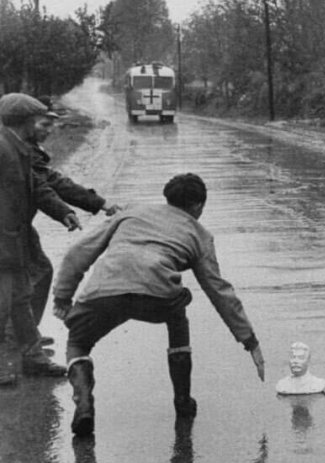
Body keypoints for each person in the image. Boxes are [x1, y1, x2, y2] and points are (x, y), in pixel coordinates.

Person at [52, 172, 265, 436]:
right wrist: (249, 340)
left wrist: (63, 297)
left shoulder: (131, 213)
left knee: (77, 342)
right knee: (178, 313)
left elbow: (79, 253)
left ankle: (83, 403)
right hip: (157, 297)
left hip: (105, 291)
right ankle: (182, 401)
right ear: (199, 206)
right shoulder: (200, 235)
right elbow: (218, 290)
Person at [0, 93, 81, 378]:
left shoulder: (20, 148)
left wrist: (63, 212)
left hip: (14, 239)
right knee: (3, 303)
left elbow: (39, 186)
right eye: (39, 120)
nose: (45, 127)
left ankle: (33, 358)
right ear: (24, 121)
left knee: (20, 298)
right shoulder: (2, 148)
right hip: (3, 240)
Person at [26, 108, 121, 335]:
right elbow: (45, 189)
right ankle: (23, 339)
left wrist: (99, 203)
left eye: (52, 125)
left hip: (17, 226)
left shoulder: (25, 149)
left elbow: (51, 182)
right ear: (26, 122)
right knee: (36, 273)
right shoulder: (20, 152)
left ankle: (24, 334)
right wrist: (65, 211)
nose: (49, 131)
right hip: (10, 227)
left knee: (27, 276)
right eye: (44, 125)